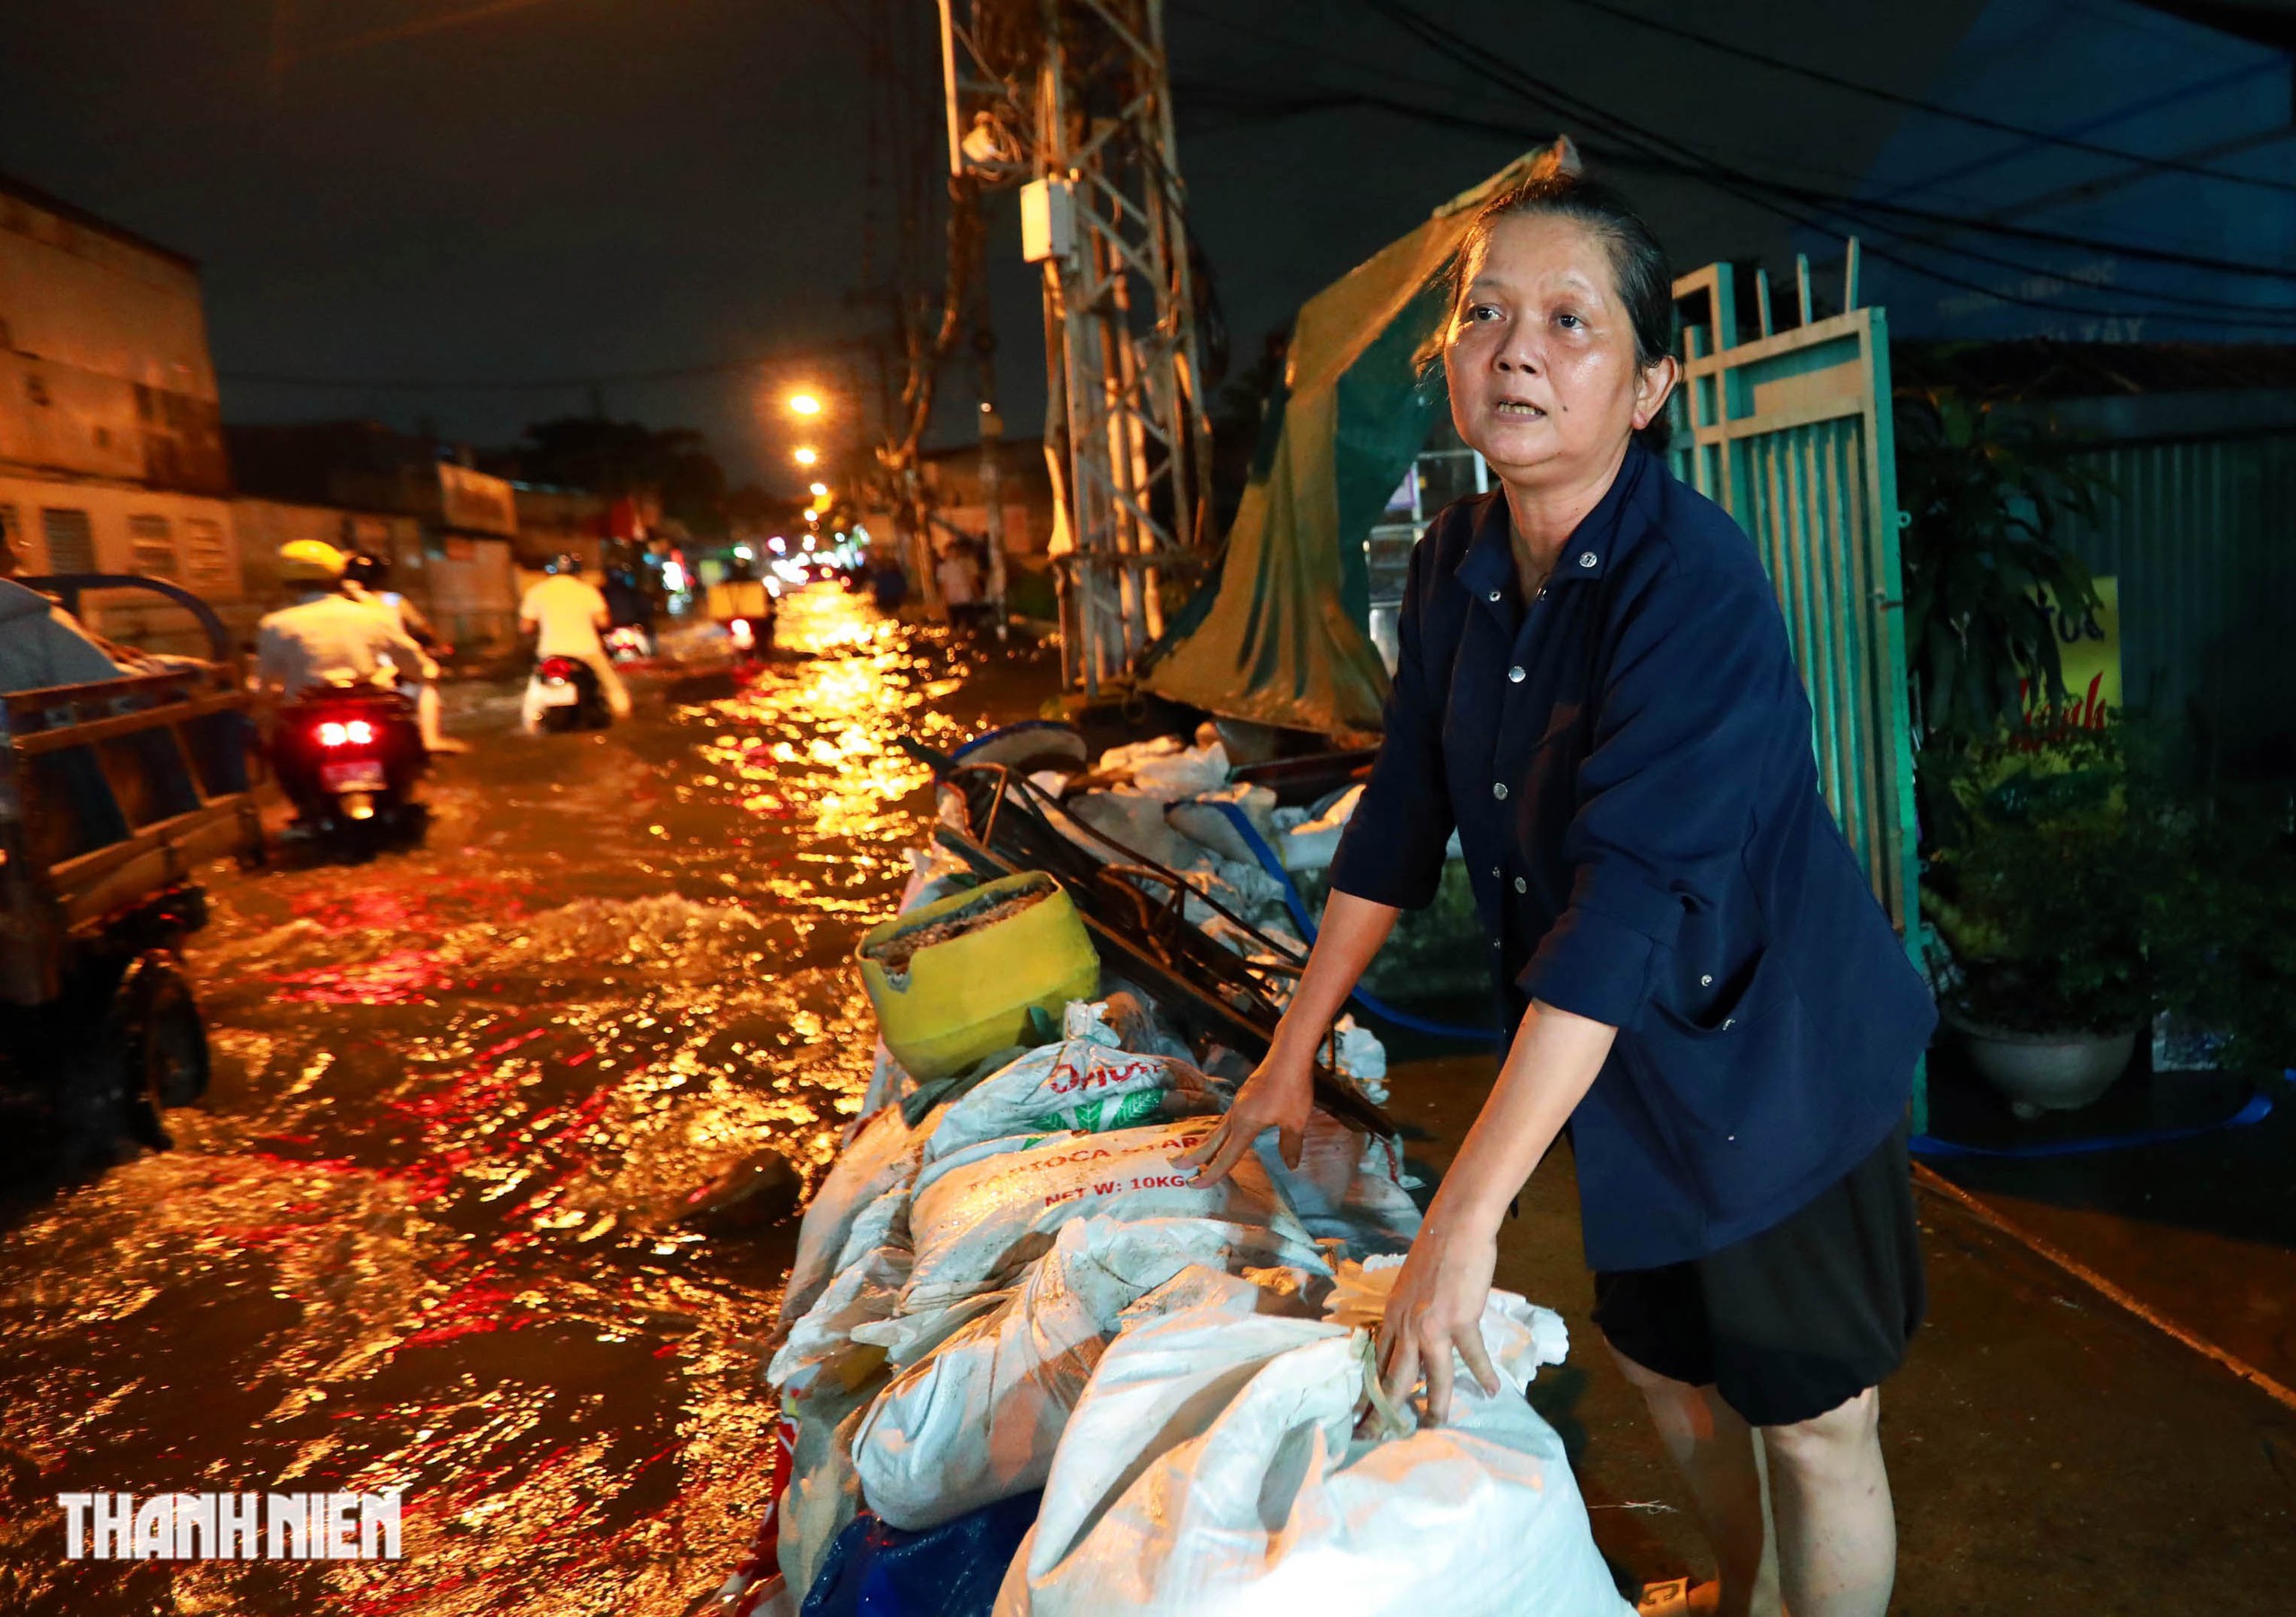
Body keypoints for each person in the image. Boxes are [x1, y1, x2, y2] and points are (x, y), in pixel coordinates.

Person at [1178, 172, 1935, 1617]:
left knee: (1815, 1415)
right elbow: (1401, 812)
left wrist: (1467, 1216)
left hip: (1765, 1050)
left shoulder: (1690, 581)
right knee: (1669, 1375)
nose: (1517, 347)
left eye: (1571, 321)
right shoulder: (1459, 558)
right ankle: (1746, 1591)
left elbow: (1631, 905)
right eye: (1486, 314)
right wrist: (1290, 1051)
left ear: (1650, 384)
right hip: (1606, 1057)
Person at [254, 541, 427, 705]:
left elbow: (268, 680)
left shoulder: (276, 623)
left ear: (287, 583)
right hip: (366, 706)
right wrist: (424, 670)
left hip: (305, 711)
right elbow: (413, 659)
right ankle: (430, 736)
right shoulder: (375, 613)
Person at [342, 551, 465, 753]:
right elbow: (421, 628)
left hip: (347, 669)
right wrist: (431, 642)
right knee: (429, 676)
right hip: (390, 665)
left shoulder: (337, 602)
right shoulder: (391, 601)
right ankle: (431, 739)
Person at [517, 554, 631, 731]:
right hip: (587, 650)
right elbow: (603, 622)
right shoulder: (587, 591)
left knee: (535, 691)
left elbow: (525, 627)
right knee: (612, 685)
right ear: (577, 572)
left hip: (550, 651)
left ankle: (529, 726)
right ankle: (623, 716)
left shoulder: (536, 591)